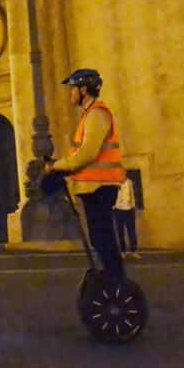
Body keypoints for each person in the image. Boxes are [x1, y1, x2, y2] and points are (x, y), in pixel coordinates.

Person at [46, 68, 126, 283]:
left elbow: (88, 153)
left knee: (103, 238)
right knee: (99, 238)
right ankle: (112, 279)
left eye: (72, 89)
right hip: (93, 187)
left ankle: (116, 282)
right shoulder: (89, 116)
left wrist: (58, 166)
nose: (70, 94)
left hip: (100, 186)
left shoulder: (98, 114)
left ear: (84, 89)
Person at [113, 178, 139, 259]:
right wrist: (113, 206)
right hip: (118, 210)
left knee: (131, 231)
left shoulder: (129, 182)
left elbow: (132, 194)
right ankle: (122, 251)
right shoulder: (114, 182)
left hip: (129, 210)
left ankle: (134, 251)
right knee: (120, 231)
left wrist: (133, 206)